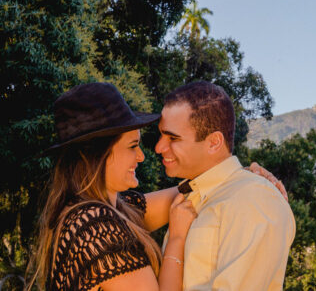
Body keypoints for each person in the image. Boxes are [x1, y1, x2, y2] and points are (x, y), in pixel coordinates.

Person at [27, 82, 286, 291]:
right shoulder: (94, 225)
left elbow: (198, 187)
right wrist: (176, 239)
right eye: (131, 147)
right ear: (94, 156)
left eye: (171, 137)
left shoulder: (99, 212)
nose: (145, 155)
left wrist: (245, 178)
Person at [156, 81, 296, 291]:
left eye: (173, 138)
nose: (159, 147)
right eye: (161, 135)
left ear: (214, 142)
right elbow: (122, 211)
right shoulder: (189, 197)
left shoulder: (255, 199)